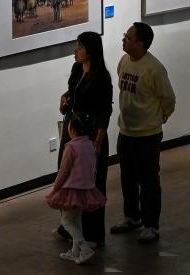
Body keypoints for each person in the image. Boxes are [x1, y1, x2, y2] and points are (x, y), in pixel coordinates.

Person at [110, 22, 176, 244]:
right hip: (126, 131)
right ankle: (132, 217)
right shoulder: (124, 61)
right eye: (125, 35)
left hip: (147, 135)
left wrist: (159, 118)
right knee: (127, 178)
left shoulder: (154, 69)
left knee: (148, 181)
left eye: (128, 37)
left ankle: (151, 225)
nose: (124, 40)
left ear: (140, 44)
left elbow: (169, 99)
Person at [54, 31, 112, 247]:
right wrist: (65, 97)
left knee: (90, 182)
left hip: (90, 134)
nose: (75, 50)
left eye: (79, 46)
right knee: (68, 177)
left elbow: (105, 111)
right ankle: (70, 226)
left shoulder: (102, 77)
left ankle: (93, 233)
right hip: (73, 131)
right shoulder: (77, 70)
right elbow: (73, 93)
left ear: (91, 50)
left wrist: (98, 140)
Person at [46, 111, 107, 265]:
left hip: (71, 191)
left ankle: (84, 249)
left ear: (72, 129)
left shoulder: (71, 148)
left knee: (66, 221)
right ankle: (75, 252)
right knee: (77, 221)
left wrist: (55, 188)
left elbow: (63, 171)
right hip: (85, 190)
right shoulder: (91, 145)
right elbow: (93, 168)